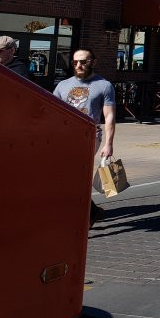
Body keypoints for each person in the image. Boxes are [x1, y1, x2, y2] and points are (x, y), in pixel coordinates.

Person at [52, 48, 116, 227]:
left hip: (90, 136)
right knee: (64, 175)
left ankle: (86, 213)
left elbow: (109, 116)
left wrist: (108, 144)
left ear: (92, 62)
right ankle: (92, 211)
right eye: (75, 62)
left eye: (83, 62)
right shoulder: (62, 85)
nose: (79, 65)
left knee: (75, 174)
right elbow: (53, 111)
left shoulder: (104, 85)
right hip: (66, 137)